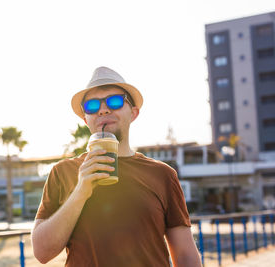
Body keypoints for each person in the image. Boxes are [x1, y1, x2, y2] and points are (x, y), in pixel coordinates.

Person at [31, 66, 202, 267]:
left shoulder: (163, 174)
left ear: (134, 113)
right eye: (92, 105)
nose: (103, 109)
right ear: (85, 119)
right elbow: (42, 253)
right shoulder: (62, 172)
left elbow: (185, 256)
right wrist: (80, 192)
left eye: (115, 101)